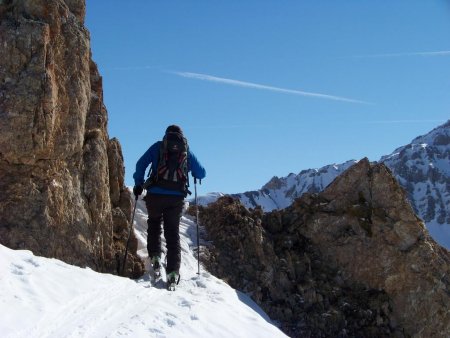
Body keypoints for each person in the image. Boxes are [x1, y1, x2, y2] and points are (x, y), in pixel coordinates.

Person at [133, 125, 206, 289]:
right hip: (176, 198)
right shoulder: (185, 149)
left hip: (155, 195)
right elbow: (201, 172)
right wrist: (192, 172)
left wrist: (138, 183)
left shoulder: (158, 146)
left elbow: (141, 164)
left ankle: (155, 258)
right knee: (172, 233)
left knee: (154, 225)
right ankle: (173, 272)